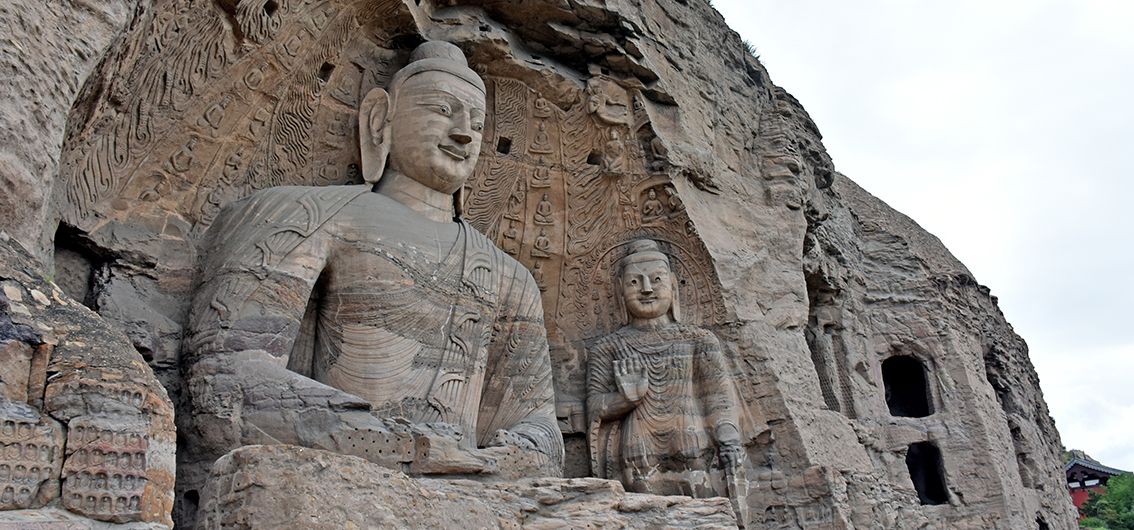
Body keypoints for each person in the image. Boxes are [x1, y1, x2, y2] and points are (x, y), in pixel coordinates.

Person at [184, 41, 562, 479]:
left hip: (467, 485)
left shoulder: (509, 276)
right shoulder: (306, 216)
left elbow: (540, 434)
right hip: (336, 478)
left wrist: (502, 457)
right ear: (380, 120)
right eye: (442, 110)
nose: (464, 134)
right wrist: (403, 444)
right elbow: (222, 384)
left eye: (477, 124)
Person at [586, 239, 742, 497]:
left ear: (673, 284)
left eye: (656, 279)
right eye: (634, 282)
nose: (646, 289)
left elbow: (719, 398)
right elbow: (593, 406)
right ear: (619, 291)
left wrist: (729, 440)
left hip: (693, 448)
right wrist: (624, 400)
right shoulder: (607, 347)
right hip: (638, 452)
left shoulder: (699, 340)